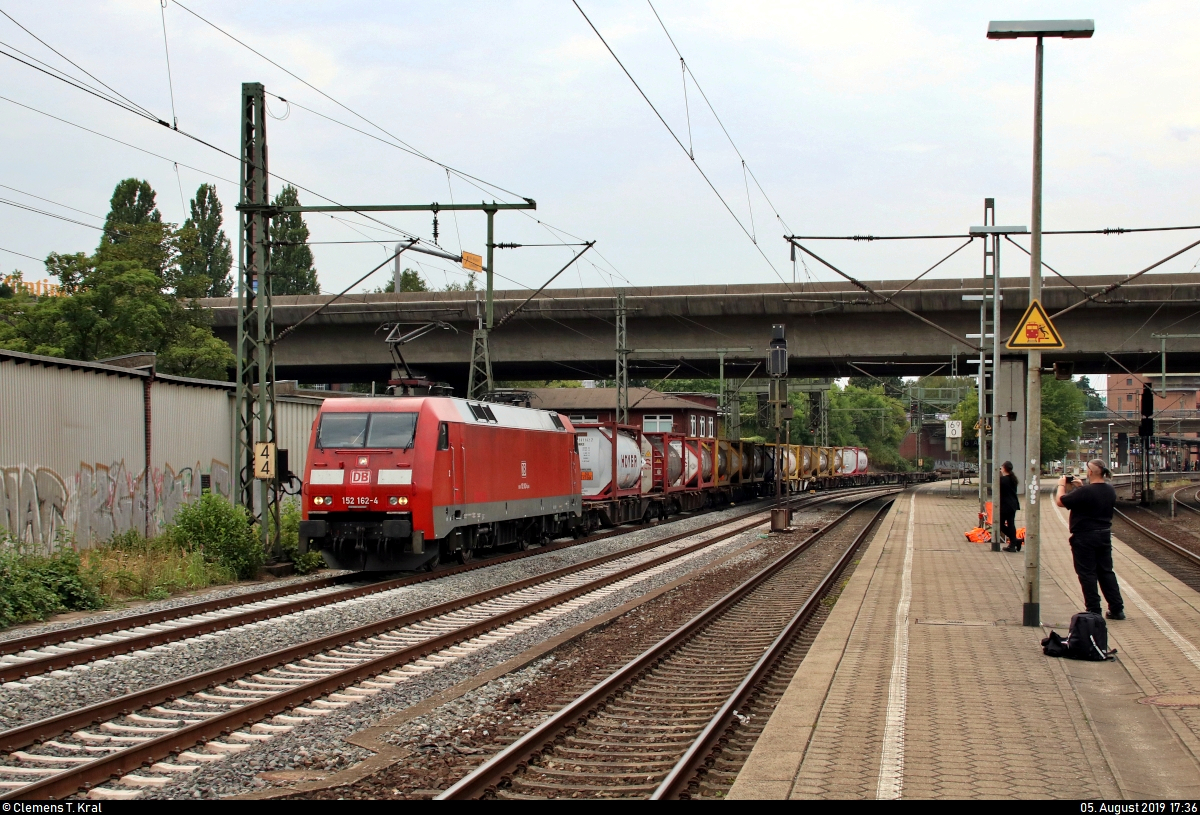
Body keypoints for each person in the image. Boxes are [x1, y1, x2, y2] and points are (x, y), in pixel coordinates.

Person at [1056, 459, 1125, 620]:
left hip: (1084, 537)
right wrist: (1081, 487)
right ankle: (1117, 609)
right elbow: (1093, 497)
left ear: (1090, 472)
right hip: (1104, 535)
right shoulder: (1109, 490)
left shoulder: (1085, 492)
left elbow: (1060, 501)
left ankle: (1094, 609)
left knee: (1087, 573)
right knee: (1106, 572)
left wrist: (1061, 485)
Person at [998, 461, 1021, 552]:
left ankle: (1014, 542)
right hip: (1013, 503)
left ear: (1004, 468)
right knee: (1011, 523)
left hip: (1005, 505)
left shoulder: (1002, 480)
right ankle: (1014, 543)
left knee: (1000, 524)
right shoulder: (1013, 479)